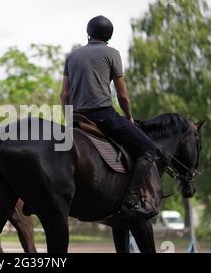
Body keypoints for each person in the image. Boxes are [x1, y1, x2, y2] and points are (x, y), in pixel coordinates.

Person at [60, 16, 157, 218]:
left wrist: (69, 120)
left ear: (89, 33)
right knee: (148, 148)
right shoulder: (112, 53)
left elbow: (64, 95)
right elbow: (122, 95)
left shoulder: (72, 56)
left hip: (77, 117)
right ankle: (131, 199)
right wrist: (129, 117)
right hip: (103, 116)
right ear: (108, 36)